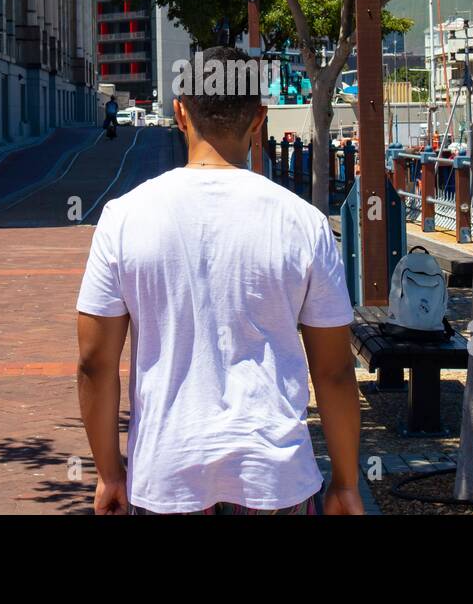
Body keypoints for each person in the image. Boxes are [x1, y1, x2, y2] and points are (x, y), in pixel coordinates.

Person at [76, 45, 362, 515]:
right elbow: (333, 372)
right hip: (276, 476)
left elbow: (93, 362)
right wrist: (346, 484)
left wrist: (109, 475)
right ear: (258, 120)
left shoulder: (123, 217)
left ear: (180, 113)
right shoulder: (304, 223)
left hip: (167, 475)